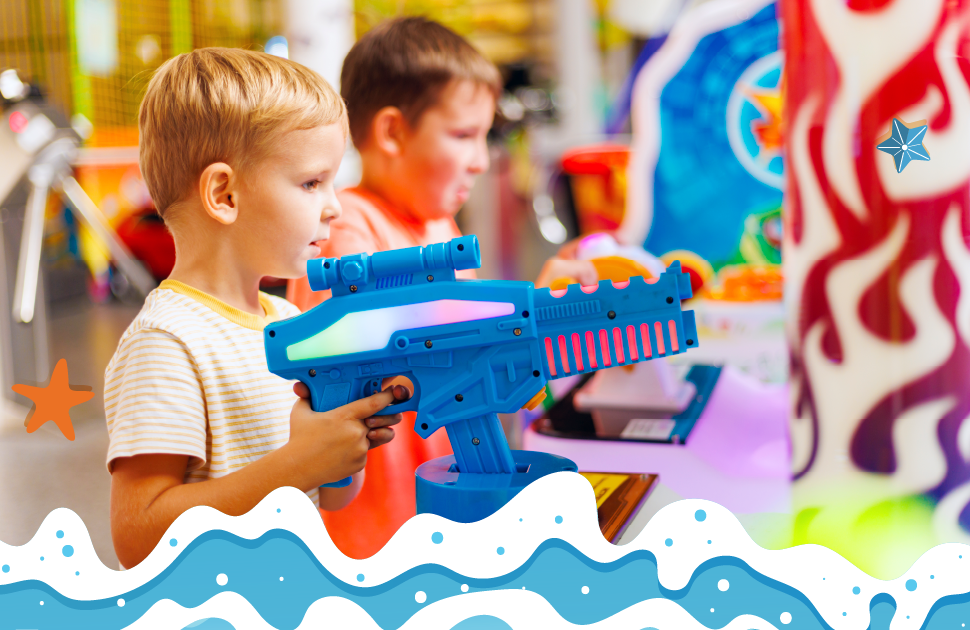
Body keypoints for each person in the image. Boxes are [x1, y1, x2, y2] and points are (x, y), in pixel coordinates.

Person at [286, 17, 597, 559]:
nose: (480, 159)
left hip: (440, 516)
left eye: (484, 135)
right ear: (392, 132)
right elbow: (411, 351)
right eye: (462, 135)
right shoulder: (348, 233)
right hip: (374, 535)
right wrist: (527, 316)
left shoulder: (437, 227)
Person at [104, 48, 408, 569]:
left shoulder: (289, 324)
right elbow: (138, 537)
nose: (334, 205)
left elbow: (329, 496)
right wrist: (295, 465)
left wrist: (345, 443)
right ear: (224, 194)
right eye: (312, 182)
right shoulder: (167, 341)